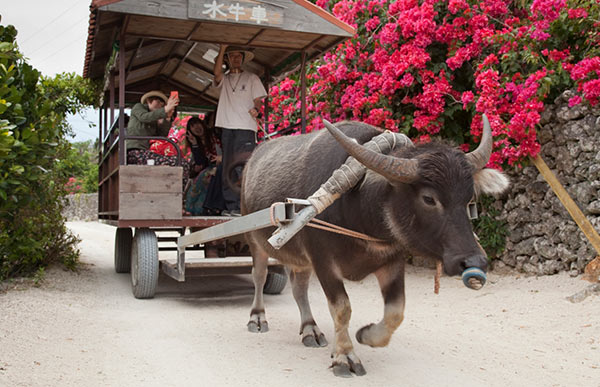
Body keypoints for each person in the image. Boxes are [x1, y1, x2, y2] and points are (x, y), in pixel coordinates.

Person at [213, 45, 267, 216]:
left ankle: (245, 206)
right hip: (227, 127)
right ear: (227, 59)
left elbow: (258, 100)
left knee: (243, 167)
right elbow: (216, 74)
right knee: (228, 167)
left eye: (238, 56)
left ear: (243, 58)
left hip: (245, 127)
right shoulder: (225, 79)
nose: (235, 59)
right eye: (232, 56)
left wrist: (256, 109)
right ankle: (232, 207)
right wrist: (222, 50)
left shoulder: (252, 78)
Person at [126, 90, 191, 191]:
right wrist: (165, 110)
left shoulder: (154, 120)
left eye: (162, 103)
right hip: (135, 151)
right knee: (179, 162)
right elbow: (144, 117)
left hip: (148, 153)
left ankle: (178, 195)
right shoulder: (139, 107)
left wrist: (168, 118)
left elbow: (161, 136)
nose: (160, 104)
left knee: (182, 163)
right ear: (148, 101)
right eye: (158, 101)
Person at [184, 116, 225, 216]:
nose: (196, 128)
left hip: (224, 162)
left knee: (205, 176)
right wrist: (194, 144)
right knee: (200, 179)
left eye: (197, 124)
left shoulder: (214, 134)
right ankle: (194, 209)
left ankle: (210, 207)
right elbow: (200, 162)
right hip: (211, 167)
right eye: (192, 127)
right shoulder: (198, 143)